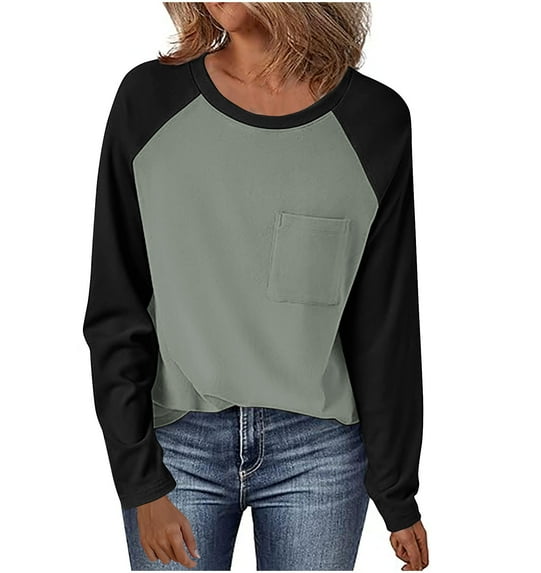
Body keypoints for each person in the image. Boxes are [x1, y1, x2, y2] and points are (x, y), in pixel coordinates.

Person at [82, 2, 429, 570]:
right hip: (177, 443)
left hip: (320, 452)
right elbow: (116, 302)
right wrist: (139, 479)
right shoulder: (149, 100)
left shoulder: (375, 120)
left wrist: (396, 490)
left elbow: (383, 318)